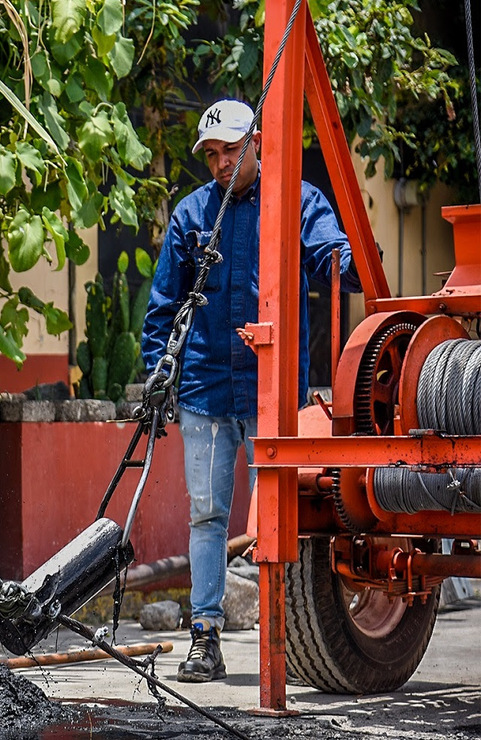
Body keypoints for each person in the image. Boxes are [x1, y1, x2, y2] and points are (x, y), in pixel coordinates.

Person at [140, 99, 361, 683]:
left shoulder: (297, 203)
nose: (218, 164)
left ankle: (282, 636)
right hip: (203, 390)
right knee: (208, 516)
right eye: (210, 155)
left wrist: (352, 258)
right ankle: (204, 638)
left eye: (229, 151)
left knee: (280, 516)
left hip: (272, 392)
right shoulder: (192, 215)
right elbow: (164, 305)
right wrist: (155, 370)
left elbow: (332, 259)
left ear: (258, 140)